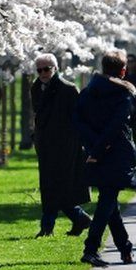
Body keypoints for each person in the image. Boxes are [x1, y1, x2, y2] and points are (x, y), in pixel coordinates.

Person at [75, 51, 136, 267]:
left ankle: (125, 247)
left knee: (109, 201)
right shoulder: (122, 95)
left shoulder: (87, 93)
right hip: (116, 153)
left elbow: (78, 122)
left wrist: (93, 147)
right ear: (122, 71)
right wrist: (102, 147)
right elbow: (116, 126)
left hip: (96, 153)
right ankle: (90, 248)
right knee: (107, 201)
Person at [30, 53, 92, 238]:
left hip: (66, 146)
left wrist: (79, 142)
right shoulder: (36, 88)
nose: (43, 73)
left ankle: (49, 226)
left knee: (60, 187)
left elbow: (80, 117)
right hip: (46, 145)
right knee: (50, 187)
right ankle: (79, 219)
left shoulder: (68, 89)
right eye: (39, 70)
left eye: (46, 69)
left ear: (55, 68)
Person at [124, 54, 136, 145]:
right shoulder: (124, 74)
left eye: (132, 61)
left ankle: (134, 143)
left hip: (135, 101)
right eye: (128, 61)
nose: (130, 63)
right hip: (125, 101)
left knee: (135, 125)